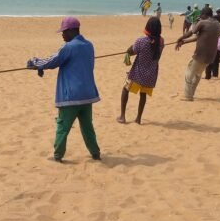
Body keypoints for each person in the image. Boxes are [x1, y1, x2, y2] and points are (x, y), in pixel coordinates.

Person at [27, 17, 101, 162]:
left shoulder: (68, 47)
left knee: (62, 126)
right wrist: (41, 67)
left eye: (64, 32)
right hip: (87, 95)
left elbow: (52, 61)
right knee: (87, 127)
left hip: (71, 96)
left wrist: (35, 63)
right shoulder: (89, 45)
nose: (62, 35)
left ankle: (58, 155)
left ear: (72, 30)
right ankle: (95, 153)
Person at [118, 17, 164, 124]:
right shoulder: (161, 42)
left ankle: (122, 116)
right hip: (151, 74)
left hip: (137, 73)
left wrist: (128, 50)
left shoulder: (141, 41)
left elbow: (131, 51)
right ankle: (138, 118)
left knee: (125, 90)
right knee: (143, 95)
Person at [175, 7, 220, 101]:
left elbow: (191, 32)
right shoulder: (217, 24)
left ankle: (188, 96)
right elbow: (199, 37)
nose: (200, 16)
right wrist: (183, 42)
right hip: (211, 56)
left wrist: (180, 38)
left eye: (201, 15)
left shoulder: (203, 22)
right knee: (198, 74)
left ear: (204, 14)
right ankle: (191, 94)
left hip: (200, 54)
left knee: (189, 73)